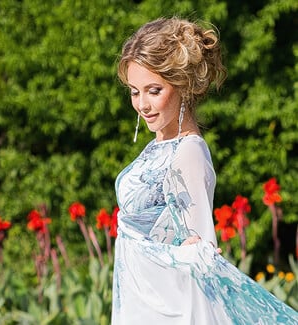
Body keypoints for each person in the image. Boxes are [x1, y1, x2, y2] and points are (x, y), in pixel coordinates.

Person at [111, 17, 298, 324]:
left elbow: (199, 255)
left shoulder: (189, 152)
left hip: (166, 310)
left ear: (182, 87)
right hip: (139, 301)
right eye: (134, 91)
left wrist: (190, 251)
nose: (142, 104)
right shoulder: (160, 144)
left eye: (153, 90)